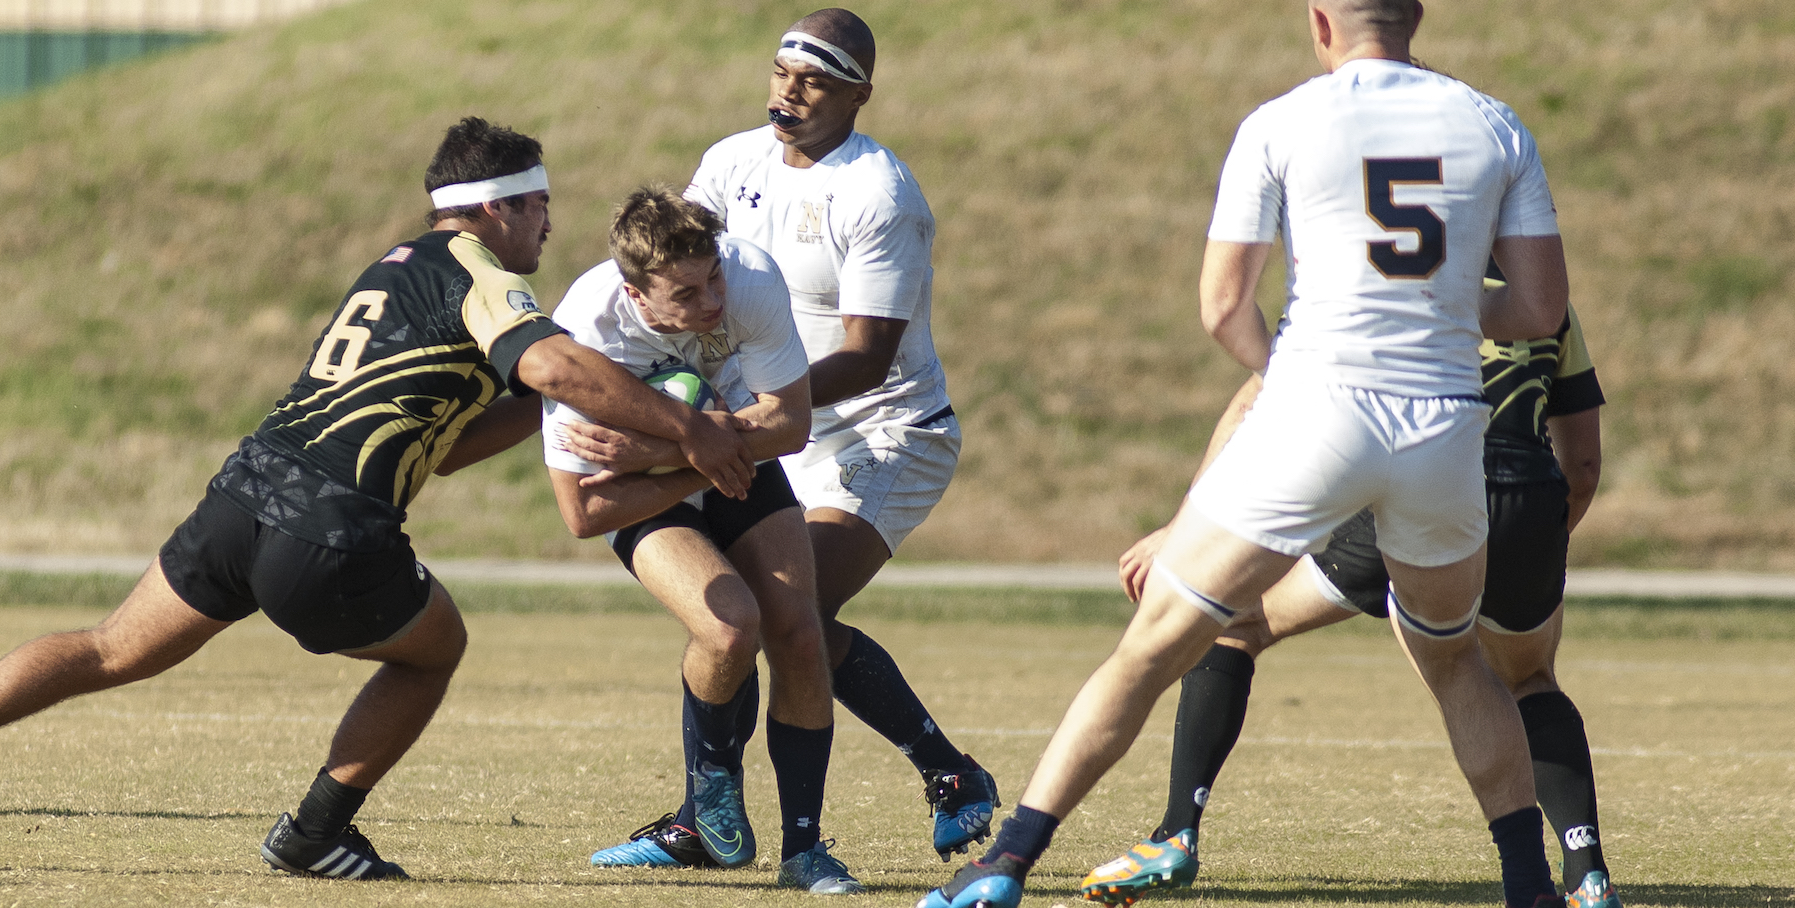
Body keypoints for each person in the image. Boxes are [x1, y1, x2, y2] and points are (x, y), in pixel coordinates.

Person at [0, 117, 757, 879]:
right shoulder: (482, 274)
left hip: (245, 495)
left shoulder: (395, 267)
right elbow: (555, 361)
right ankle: (315, 832)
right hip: (331, 526)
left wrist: (548, 408)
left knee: (107, 648)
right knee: (434, 648)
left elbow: (452, 445)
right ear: (494, 208)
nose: (547, 226)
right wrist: (691, 432)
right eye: (537, 207)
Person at [924, 2, 1572, 907]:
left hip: (1317, 411)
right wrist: (1442, 318)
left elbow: (1224, 307)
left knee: (1153, 648)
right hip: (1441, 427)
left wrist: (1301, 369)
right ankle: (1531, 888)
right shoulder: (1495, 123)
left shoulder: (1281, 121)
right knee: (1457, 660)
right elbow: (1540, 311)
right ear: (1415, 15)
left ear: (1320, 21)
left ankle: (1007, 862)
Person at [568, 7, 998, 866]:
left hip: (882, 432)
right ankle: (718, 820)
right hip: (762, 425)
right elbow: (671, 265)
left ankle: (945, 774)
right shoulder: (733, 161)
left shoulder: (881, 195)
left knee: (783, 617)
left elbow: (869, 357)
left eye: (816, 80)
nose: (790, 92)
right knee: (747, 620)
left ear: (859, 95)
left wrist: (729, 424)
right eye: (781, 72)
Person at [1096, 296, 1620, 908]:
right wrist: (1527, 550)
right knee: (1529, 678)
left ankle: (1176, 832)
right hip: (1524, 502)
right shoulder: (1543, 294)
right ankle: (1587, 877)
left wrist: (1181, 527)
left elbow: (1255, 403)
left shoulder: (1381, 273)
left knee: (1237, 625)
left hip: (1418, 494)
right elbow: (1582, 467)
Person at [543, 187, 861, 894]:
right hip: (649, 489)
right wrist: (688, 457)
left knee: (800, 635)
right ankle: (713, 787)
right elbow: (583, 510)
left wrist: (672, 449)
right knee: (727, 630)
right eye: (685, 293)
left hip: (720, 462)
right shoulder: (583, 334)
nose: (711, 300)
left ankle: (805, 851)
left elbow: (792, 423)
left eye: (712, 276)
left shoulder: (748, 278)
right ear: (636, 294)